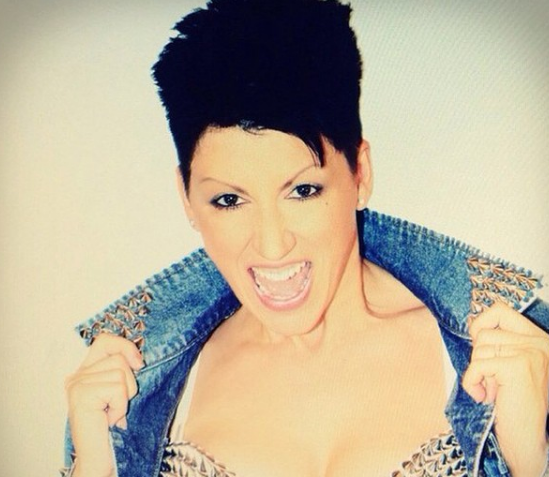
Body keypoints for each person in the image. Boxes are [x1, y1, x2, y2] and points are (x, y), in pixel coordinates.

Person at [62, 0, 549, 476]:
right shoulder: (131, 394)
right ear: (187, 199)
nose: (273, 246)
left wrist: (531, 458)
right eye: (229, 200)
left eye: (303, 191)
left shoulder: (515, 356)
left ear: (360, 174)